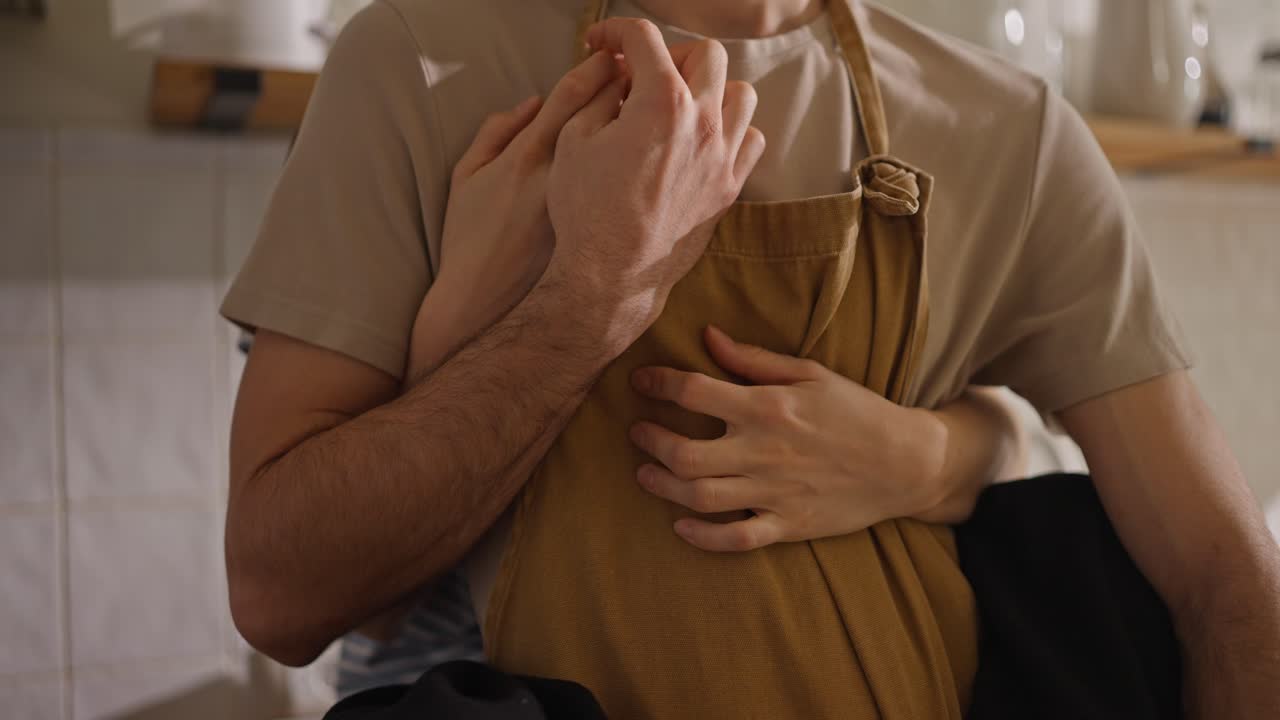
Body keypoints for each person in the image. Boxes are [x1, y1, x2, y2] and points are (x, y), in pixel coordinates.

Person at [221, 0, 1280, 717]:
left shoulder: (1011, 132)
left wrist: (945, 453)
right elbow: (283, 594)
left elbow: (1225, 579)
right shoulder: (420, 63)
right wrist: (594, 294)